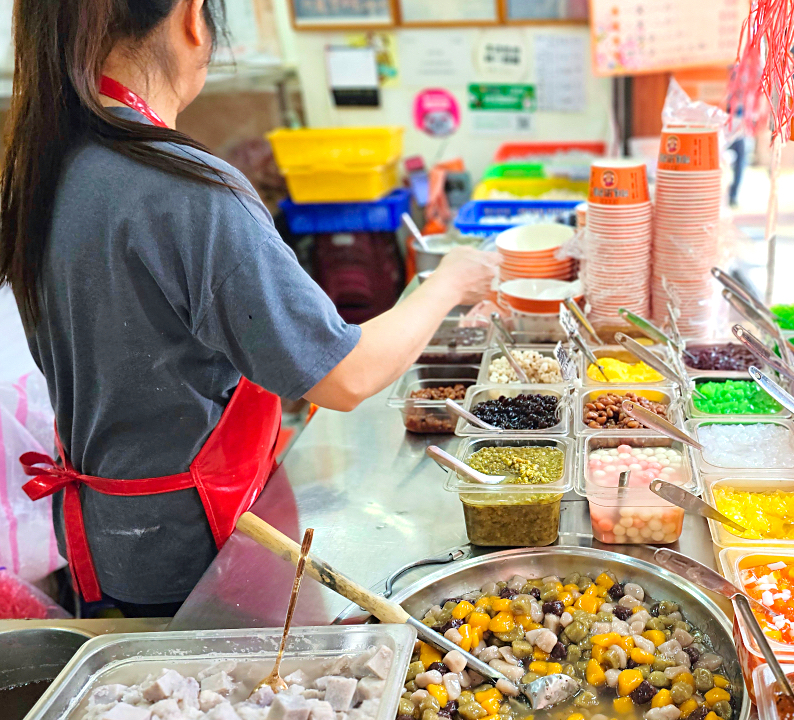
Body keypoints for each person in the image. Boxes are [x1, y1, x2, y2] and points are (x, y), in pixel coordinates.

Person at [0, 0, 499, 617]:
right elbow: (347, 376)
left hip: (104, 542)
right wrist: (448, 281)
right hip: (201, 551)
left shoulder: (46, 168)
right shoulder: (183, 190)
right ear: (191, 18)